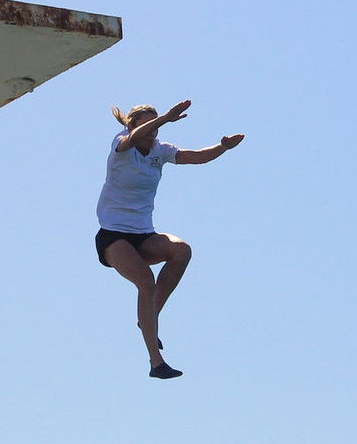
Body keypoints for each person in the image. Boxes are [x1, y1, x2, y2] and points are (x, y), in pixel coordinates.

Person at [94, 100, 245, 379]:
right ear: (133, 125)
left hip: (144, 235)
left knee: (181, 250)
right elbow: (135, 137)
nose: (153, 132)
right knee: (145, 281)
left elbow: (196, 156)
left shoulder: (160, 151)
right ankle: (156, 362)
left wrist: (222, 147)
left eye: (156, 127)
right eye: (148, 125)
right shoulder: (121, 144)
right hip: (113, 235)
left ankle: (148, 318)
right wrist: (163, 117)